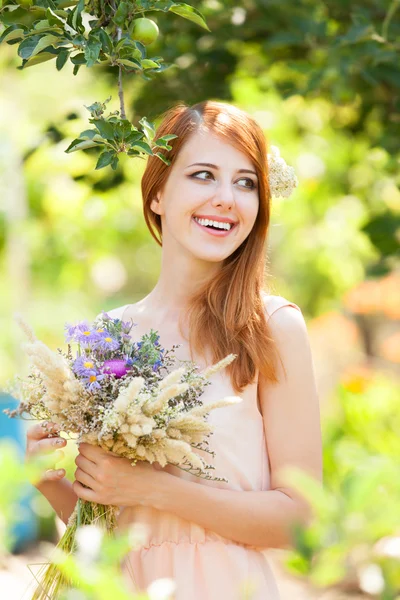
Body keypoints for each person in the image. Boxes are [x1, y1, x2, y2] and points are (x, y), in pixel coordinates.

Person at [26, 100, 322, 600]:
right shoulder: (108, 336)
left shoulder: (270, 328)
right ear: (158, 192)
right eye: (204, 175)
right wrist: (54, 483)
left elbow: (301, 521)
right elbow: (117, 533)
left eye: (245, 182)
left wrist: (155, 488)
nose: (226, 198)